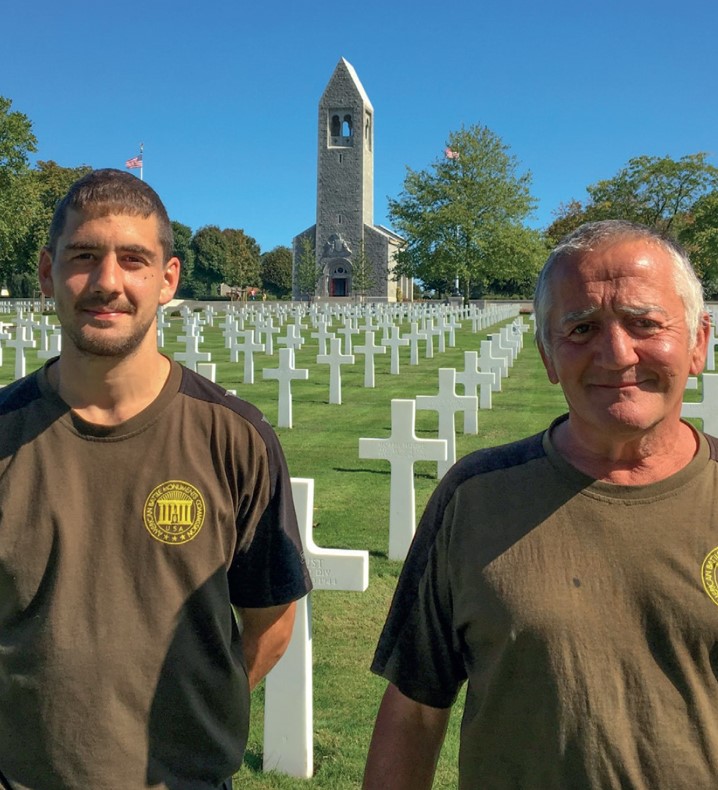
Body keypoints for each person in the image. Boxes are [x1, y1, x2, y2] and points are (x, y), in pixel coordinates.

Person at [364, 219, 718, 789]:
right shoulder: (476, 497)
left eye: (644, 323)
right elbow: (413, 711)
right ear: (548, 356)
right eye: (580, 328)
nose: (615, 353)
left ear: (698, 341)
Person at [0, 169, 312, 790]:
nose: (108, 282)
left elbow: (271, 621)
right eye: (83, 256)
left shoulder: (234, 438)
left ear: (168, 278)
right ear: (46, 272)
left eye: (133, 259)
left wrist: (193, 718)